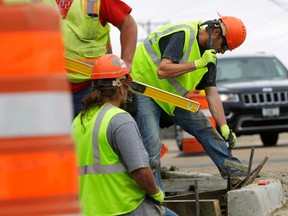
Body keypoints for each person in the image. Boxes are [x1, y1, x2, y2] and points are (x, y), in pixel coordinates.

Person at [130, 13, 247, 190]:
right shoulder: (183, 35)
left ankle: (236, 175)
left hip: (169, 96)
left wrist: (223, 126)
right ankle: (154, 198)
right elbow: (163, 70)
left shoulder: (209, 56)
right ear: (216, 33)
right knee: (151, 146)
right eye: (224, 46)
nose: (222, 51)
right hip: (146, 89)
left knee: (205, 127)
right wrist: (198, 63)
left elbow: (212, 93)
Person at [72, 54, 166, 216]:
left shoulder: (78, 121)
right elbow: (140, 171)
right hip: (123, 206)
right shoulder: (119, 119)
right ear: (122, 87)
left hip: (88, 209)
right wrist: (156, 194)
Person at [42, 0, 137, 117]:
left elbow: (128, 24)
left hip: (91, 88)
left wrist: (127, 62)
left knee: (89, 132)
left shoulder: (97, 2)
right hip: (48, 88)